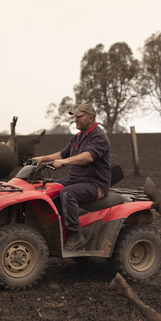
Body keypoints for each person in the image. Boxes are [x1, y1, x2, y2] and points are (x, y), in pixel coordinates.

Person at [32, 103, 111, 251]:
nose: (76, 119)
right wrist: (43, 159)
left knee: (68, 193)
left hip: (95, 184)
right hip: (75, 180)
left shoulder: (99, 137)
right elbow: (62, 154)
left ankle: (75, 236)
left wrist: (65, 161)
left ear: (90, 118)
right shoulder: (77, 138)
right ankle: (53, 229)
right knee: (48, 189)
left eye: (79, 116)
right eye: (75, 116)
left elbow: (88, 157)